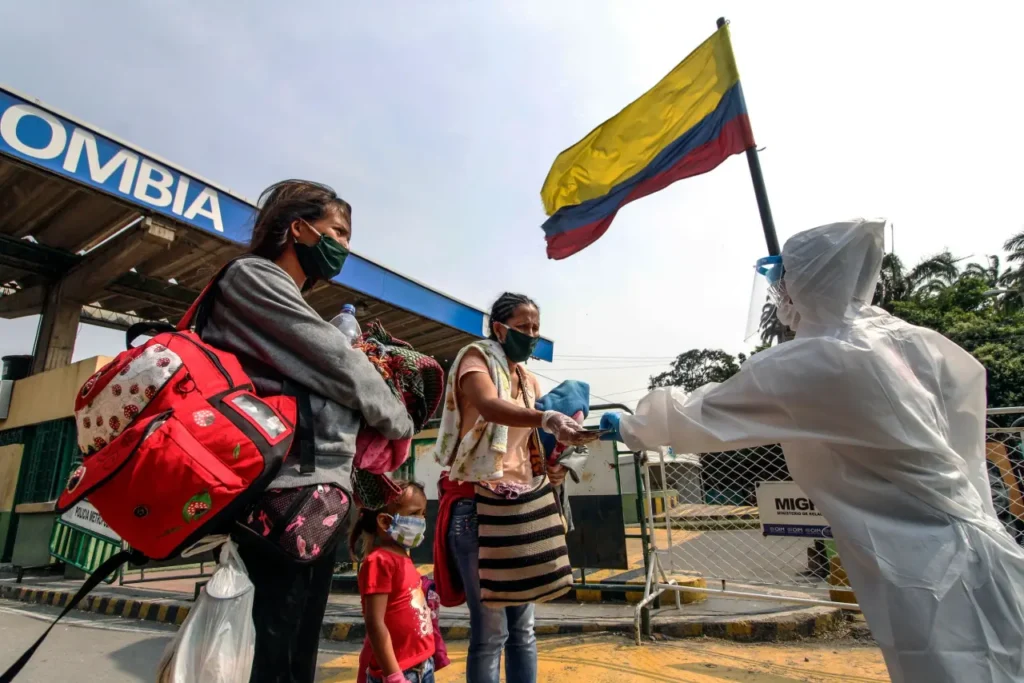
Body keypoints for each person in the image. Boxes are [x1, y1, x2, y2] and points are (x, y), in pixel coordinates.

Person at [600, 218, 1024, 683]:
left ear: (806, 281)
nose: (779, 293)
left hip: (931, 573)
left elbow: (697, 416)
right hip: (980, 546)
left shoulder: (824, 358)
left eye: (782, 280)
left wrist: (623, 424)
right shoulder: (903, 340)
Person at [199, 179, 415, 683]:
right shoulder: (252, 277)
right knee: (274, 653)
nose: (345, 246)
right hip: (283, 496)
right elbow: (340, 364)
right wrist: (397, 419)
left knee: (295, 653)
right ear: (297, 228)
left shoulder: (285, 299)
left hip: (313, 497)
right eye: (337, 232)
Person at [431, 292, 588, 683]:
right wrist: (547, 417)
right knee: (490, 633)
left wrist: (554, 466)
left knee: (523, 632)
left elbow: (531, 442)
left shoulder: (527, 379)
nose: (532, 335)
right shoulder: (476, 359)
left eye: (536, 328)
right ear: (499, 328)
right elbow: (489, 405)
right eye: (524, 327)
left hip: (523, 506)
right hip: (477, 507)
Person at [351, 481, 435, 683]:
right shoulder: (379, 561)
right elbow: (375, 623)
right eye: (415, 514)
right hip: (401, 673)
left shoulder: (402, 556)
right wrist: (394, 676)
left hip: (422, 667)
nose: (421, 520)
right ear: (385, 522)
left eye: (423, 514)